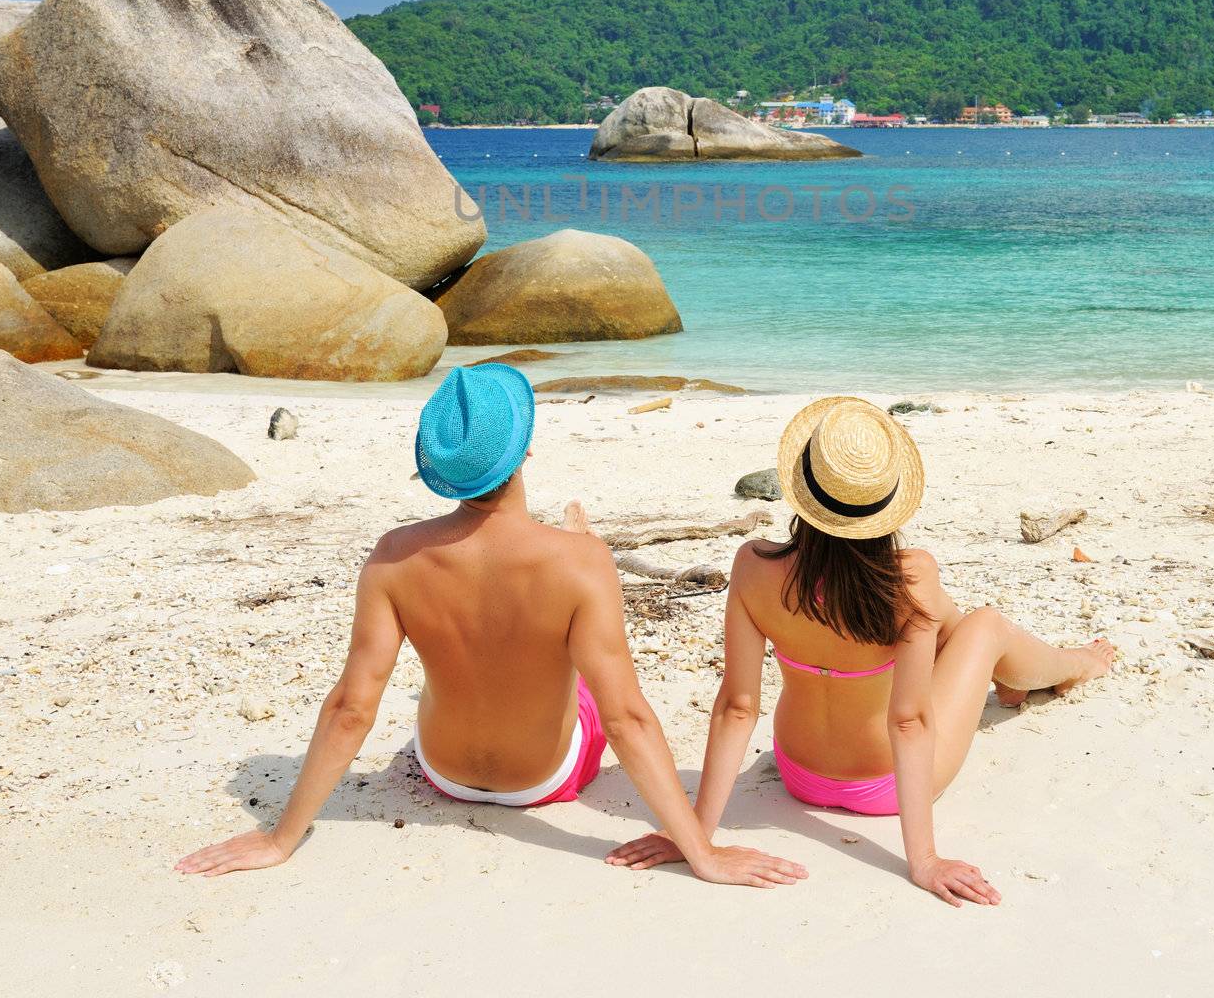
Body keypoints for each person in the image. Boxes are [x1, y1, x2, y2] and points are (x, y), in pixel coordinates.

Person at [176, 364, 806, 889]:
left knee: (453, 668)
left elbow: (350, 708)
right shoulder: (581, 563)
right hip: (544, 779)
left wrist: (283, 838)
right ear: (525, 448)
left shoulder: (394, 556)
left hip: (442, 770)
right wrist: (703, 851)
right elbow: (627, 719)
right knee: (587, 673)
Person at [607, 396, 1115, 906]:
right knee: (983, 625)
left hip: (799, 773)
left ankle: (1008, 675)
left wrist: (696, 835)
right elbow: (909, 722)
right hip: (885, 785)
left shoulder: (752, 565)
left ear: (802, 490)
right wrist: (925, 860)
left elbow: (738, 707)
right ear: (888, 502)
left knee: (942, 617)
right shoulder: (910, 576)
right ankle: (1074, 665)